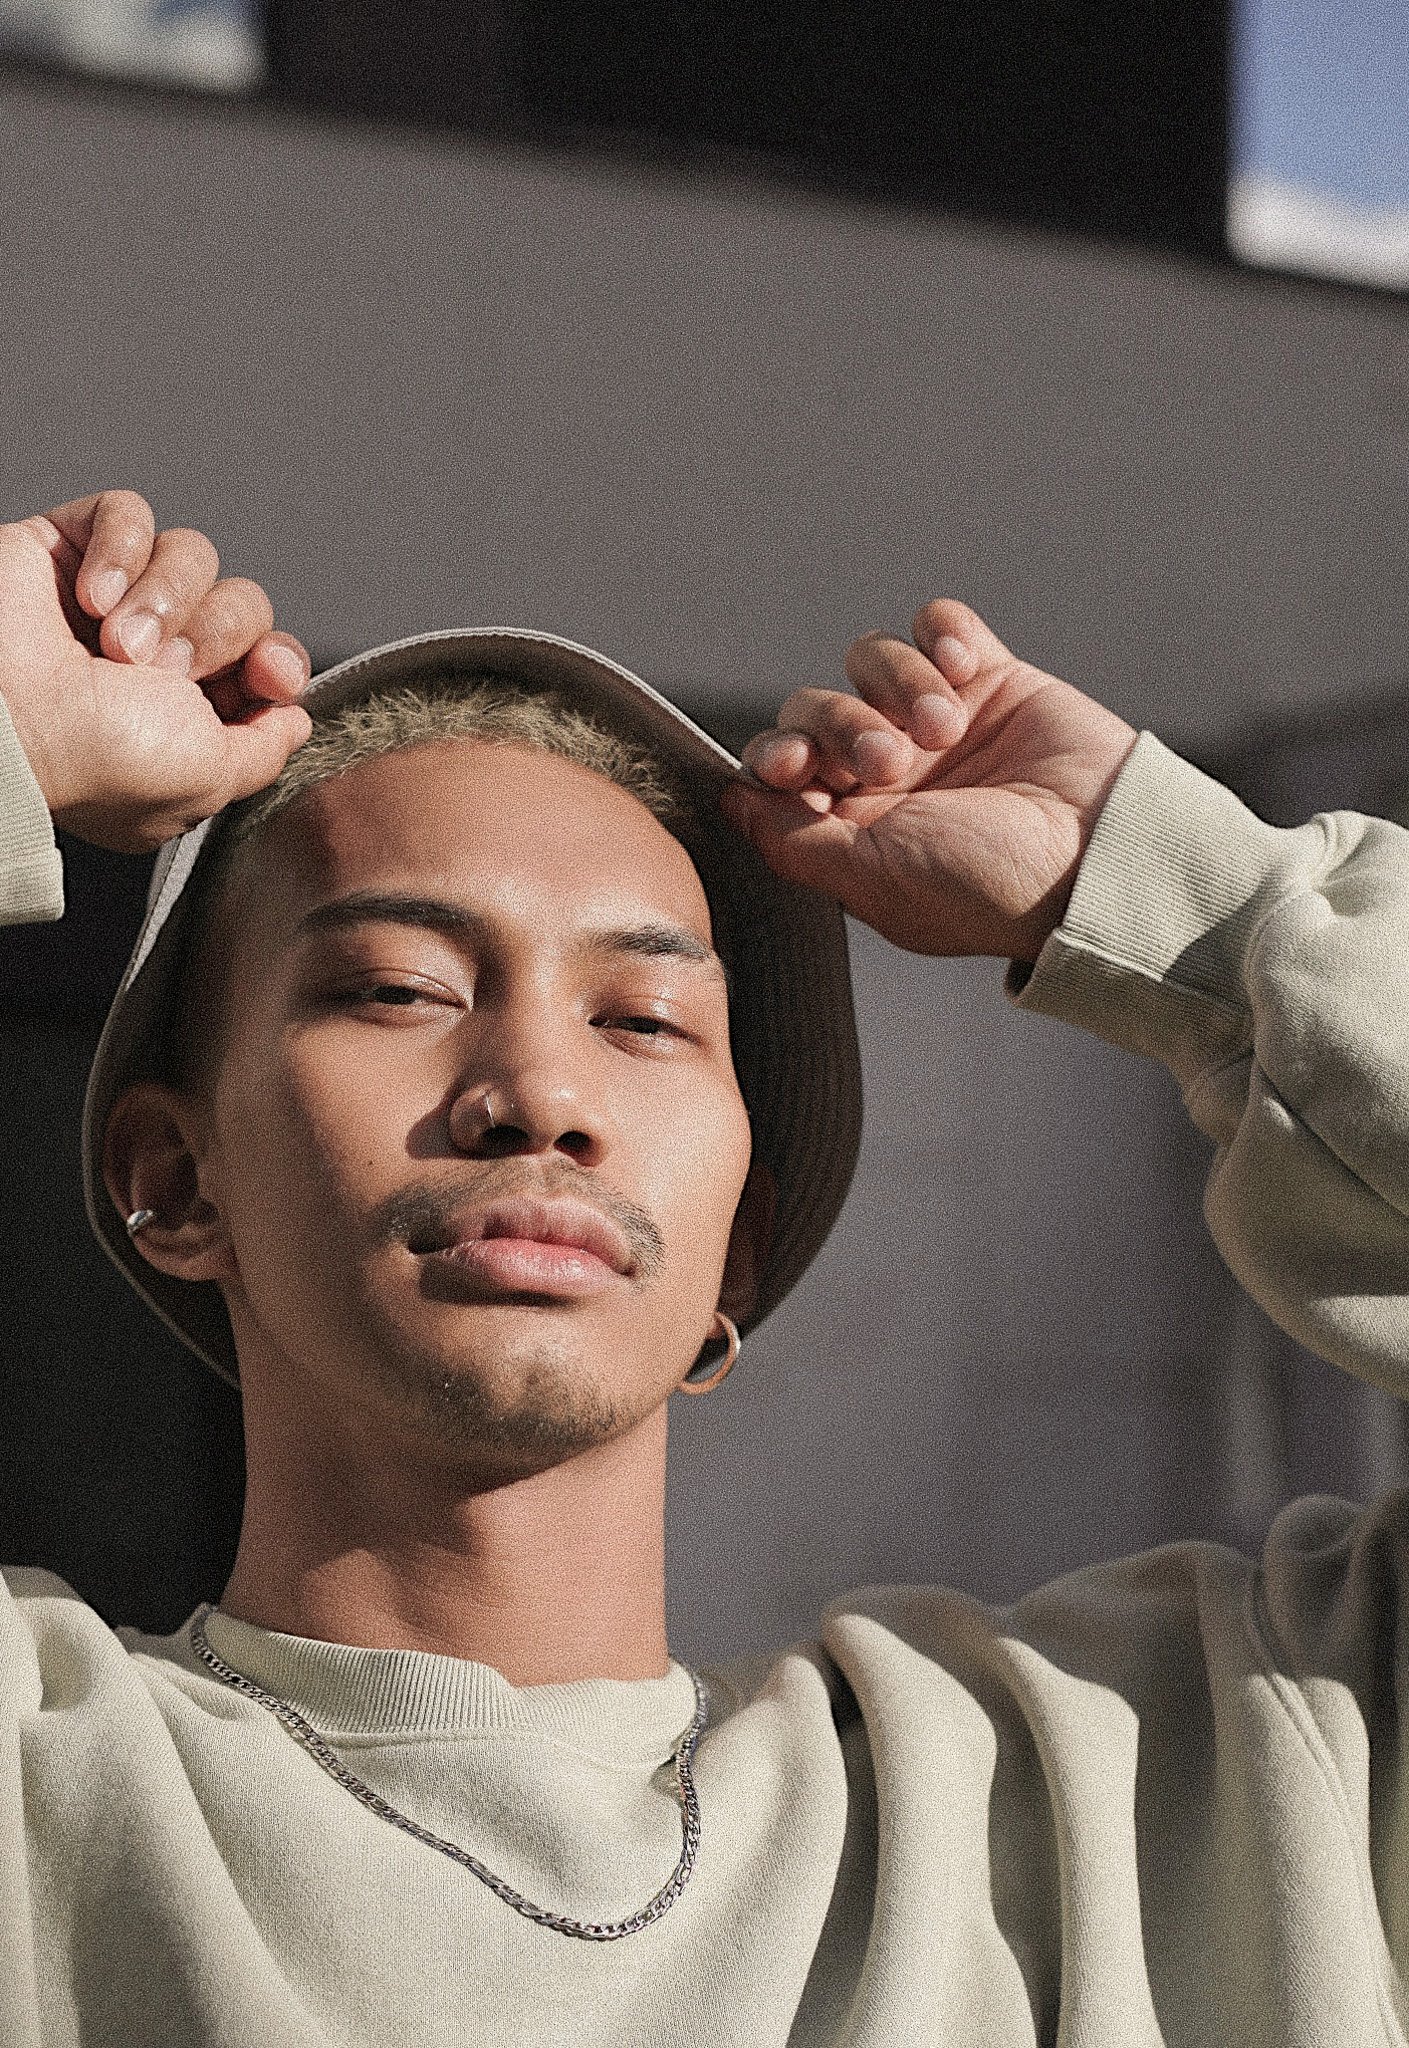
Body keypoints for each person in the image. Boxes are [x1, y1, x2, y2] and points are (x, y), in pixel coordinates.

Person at [0, 486, 1405, 2048]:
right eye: (398, 987)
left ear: (740, 1244)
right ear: (172, 1177)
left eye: (643, 1019)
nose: (537, 1094)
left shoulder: (1177, 1776)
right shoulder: (45, 1791)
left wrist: (1201, 900)